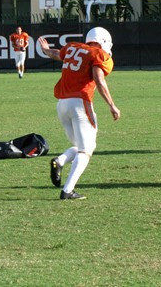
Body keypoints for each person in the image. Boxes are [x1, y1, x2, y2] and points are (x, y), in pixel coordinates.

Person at [38, 27, 121, 200]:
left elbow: (56, 54)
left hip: (62, 105)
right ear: (104, 41)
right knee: (86, 150)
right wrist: (112, 105)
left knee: (79, 145)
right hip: (80, 104)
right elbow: (99, 78)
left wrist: (45, 50)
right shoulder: (99, 54)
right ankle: (68, 190)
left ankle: (60, 161)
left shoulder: (72, 47)